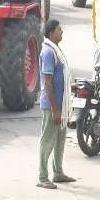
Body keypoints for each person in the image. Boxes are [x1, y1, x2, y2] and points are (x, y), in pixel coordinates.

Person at [37, 19, 75, 189]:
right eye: (59, 30)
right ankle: (43, 177)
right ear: (51, 33)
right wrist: (54, 109)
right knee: (48, 140)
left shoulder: (56, 50)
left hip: (61, 105)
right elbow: (48, 82)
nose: (62, 32)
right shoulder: (48, 52)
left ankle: (58, 172)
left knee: (60, 140)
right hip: (52, 105)